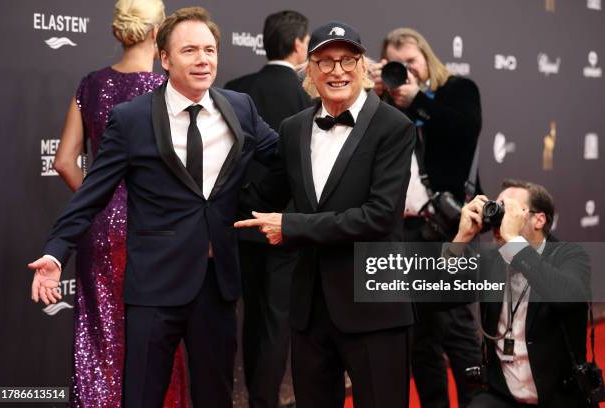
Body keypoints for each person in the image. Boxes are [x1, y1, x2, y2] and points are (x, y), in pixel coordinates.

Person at [28, 7, 278, 408]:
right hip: (154, 285)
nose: (203, 60)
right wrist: (56, 252)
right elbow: (91, 193)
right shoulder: (132, 119)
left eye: (210, 50)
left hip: (217, 283)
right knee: (142, 396)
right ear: (165, 58)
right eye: (190, 50)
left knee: (215, 396)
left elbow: (283, 159)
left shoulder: (240, 108)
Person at [235, 21, 416, 408]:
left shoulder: (394, 127)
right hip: (309, 308)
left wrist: (292, 226)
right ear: (309, 69)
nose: (337, 72)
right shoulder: (293, 128)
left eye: (347, 60)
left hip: (374, 306)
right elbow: (266, 196)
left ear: (363, 66)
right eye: (326, 62)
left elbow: (379, 216)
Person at [51, 0, 188, 406]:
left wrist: (100, 201)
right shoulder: (167, 90)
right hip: (154, 230)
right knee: (157, 333)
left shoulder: (91, 84)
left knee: (100, 336)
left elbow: (63, 161)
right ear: (155, 33)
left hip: (99, 227)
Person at [371, 27, 483, 408]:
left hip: (450, 231)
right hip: (404, 232)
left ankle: (479, 402)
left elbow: (464, 129)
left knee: (457, 329)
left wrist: (418, 98)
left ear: (427, 59)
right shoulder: (383, 104)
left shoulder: (457, 90)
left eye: (412, 63)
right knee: (419, 336)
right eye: (397, 66)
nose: (407, 72)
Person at [224, 10, 310, 408]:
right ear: (299, 45)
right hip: (286, 225)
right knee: (276, 319)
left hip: (239, 219)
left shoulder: (234, 88)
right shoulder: (308, 95)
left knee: (252, 314)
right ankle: (263, 400)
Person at [445, 179, 590, 407]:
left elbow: (568, 297)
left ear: (538, 220)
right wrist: (461, 237)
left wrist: (514, 242)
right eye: (498, 209)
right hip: (502, 395)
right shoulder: (491, 262)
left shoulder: (570, 256)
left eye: (510, 211)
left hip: (558, 396)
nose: (500, 220)